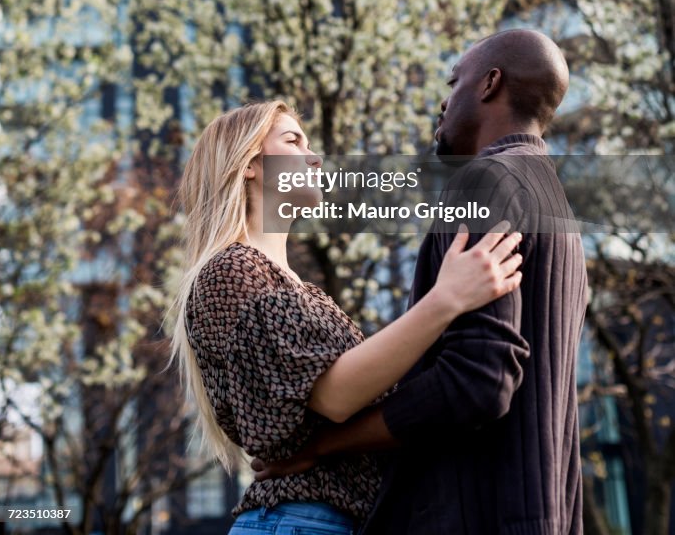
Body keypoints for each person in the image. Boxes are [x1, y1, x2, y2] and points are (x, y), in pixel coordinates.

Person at [252, 29, 589, 535]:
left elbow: (479, 381)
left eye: (454, 83)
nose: (442, 102)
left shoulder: (484, 181)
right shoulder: (555, 206)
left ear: (490, 84)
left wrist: (319, 446)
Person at [166, 98, 524, 535]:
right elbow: (334, 396)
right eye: (293, 140)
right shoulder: (232, 271)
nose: (314, 156)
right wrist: (446, 299)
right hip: (299, 521)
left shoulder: (295, 287)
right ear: (248, 165)